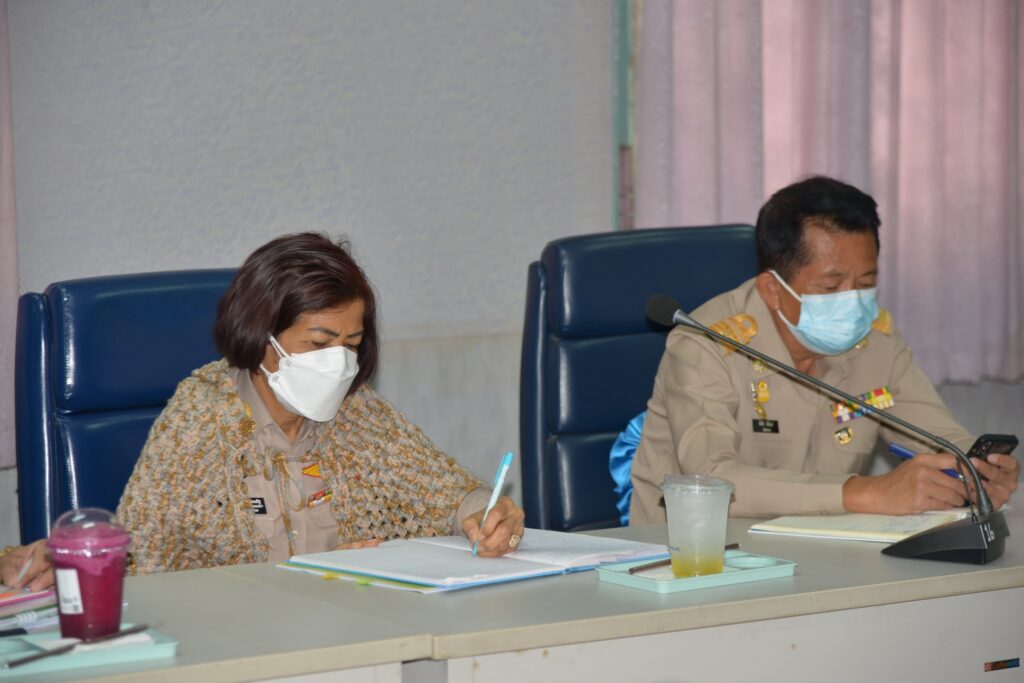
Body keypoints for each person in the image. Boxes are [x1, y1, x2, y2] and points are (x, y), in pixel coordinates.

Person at [630, 176, 1020, 522]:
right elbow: (711, 479)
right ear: (772, 289)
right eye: (831, 287)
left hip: (823, 551)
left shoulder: (875, 340)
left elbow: (939, 437)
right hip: (699, 556)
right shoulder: (706, 344)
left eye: (865, 283)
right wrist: (867, 492)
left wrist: (977, 470)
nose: (853, 302)